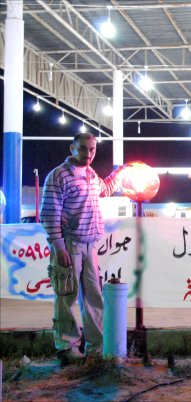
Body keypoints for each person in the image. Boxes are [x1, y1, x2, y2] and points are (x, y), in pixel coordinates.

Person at [41, 133, 124, 366]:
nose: (88, 154)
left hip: (90, 246)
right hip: (69, 245)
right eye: (83, 148)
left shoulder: (91, 175)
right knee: (66, 296)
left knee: (93, 297)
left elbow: (105, 189)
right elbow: (49, 214)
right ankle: (67, 347)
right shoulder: (59, 176)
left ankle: (96, 347)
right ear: (72, 148)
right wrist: (59, 246)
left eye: (92, 149)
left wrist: (121, 173)